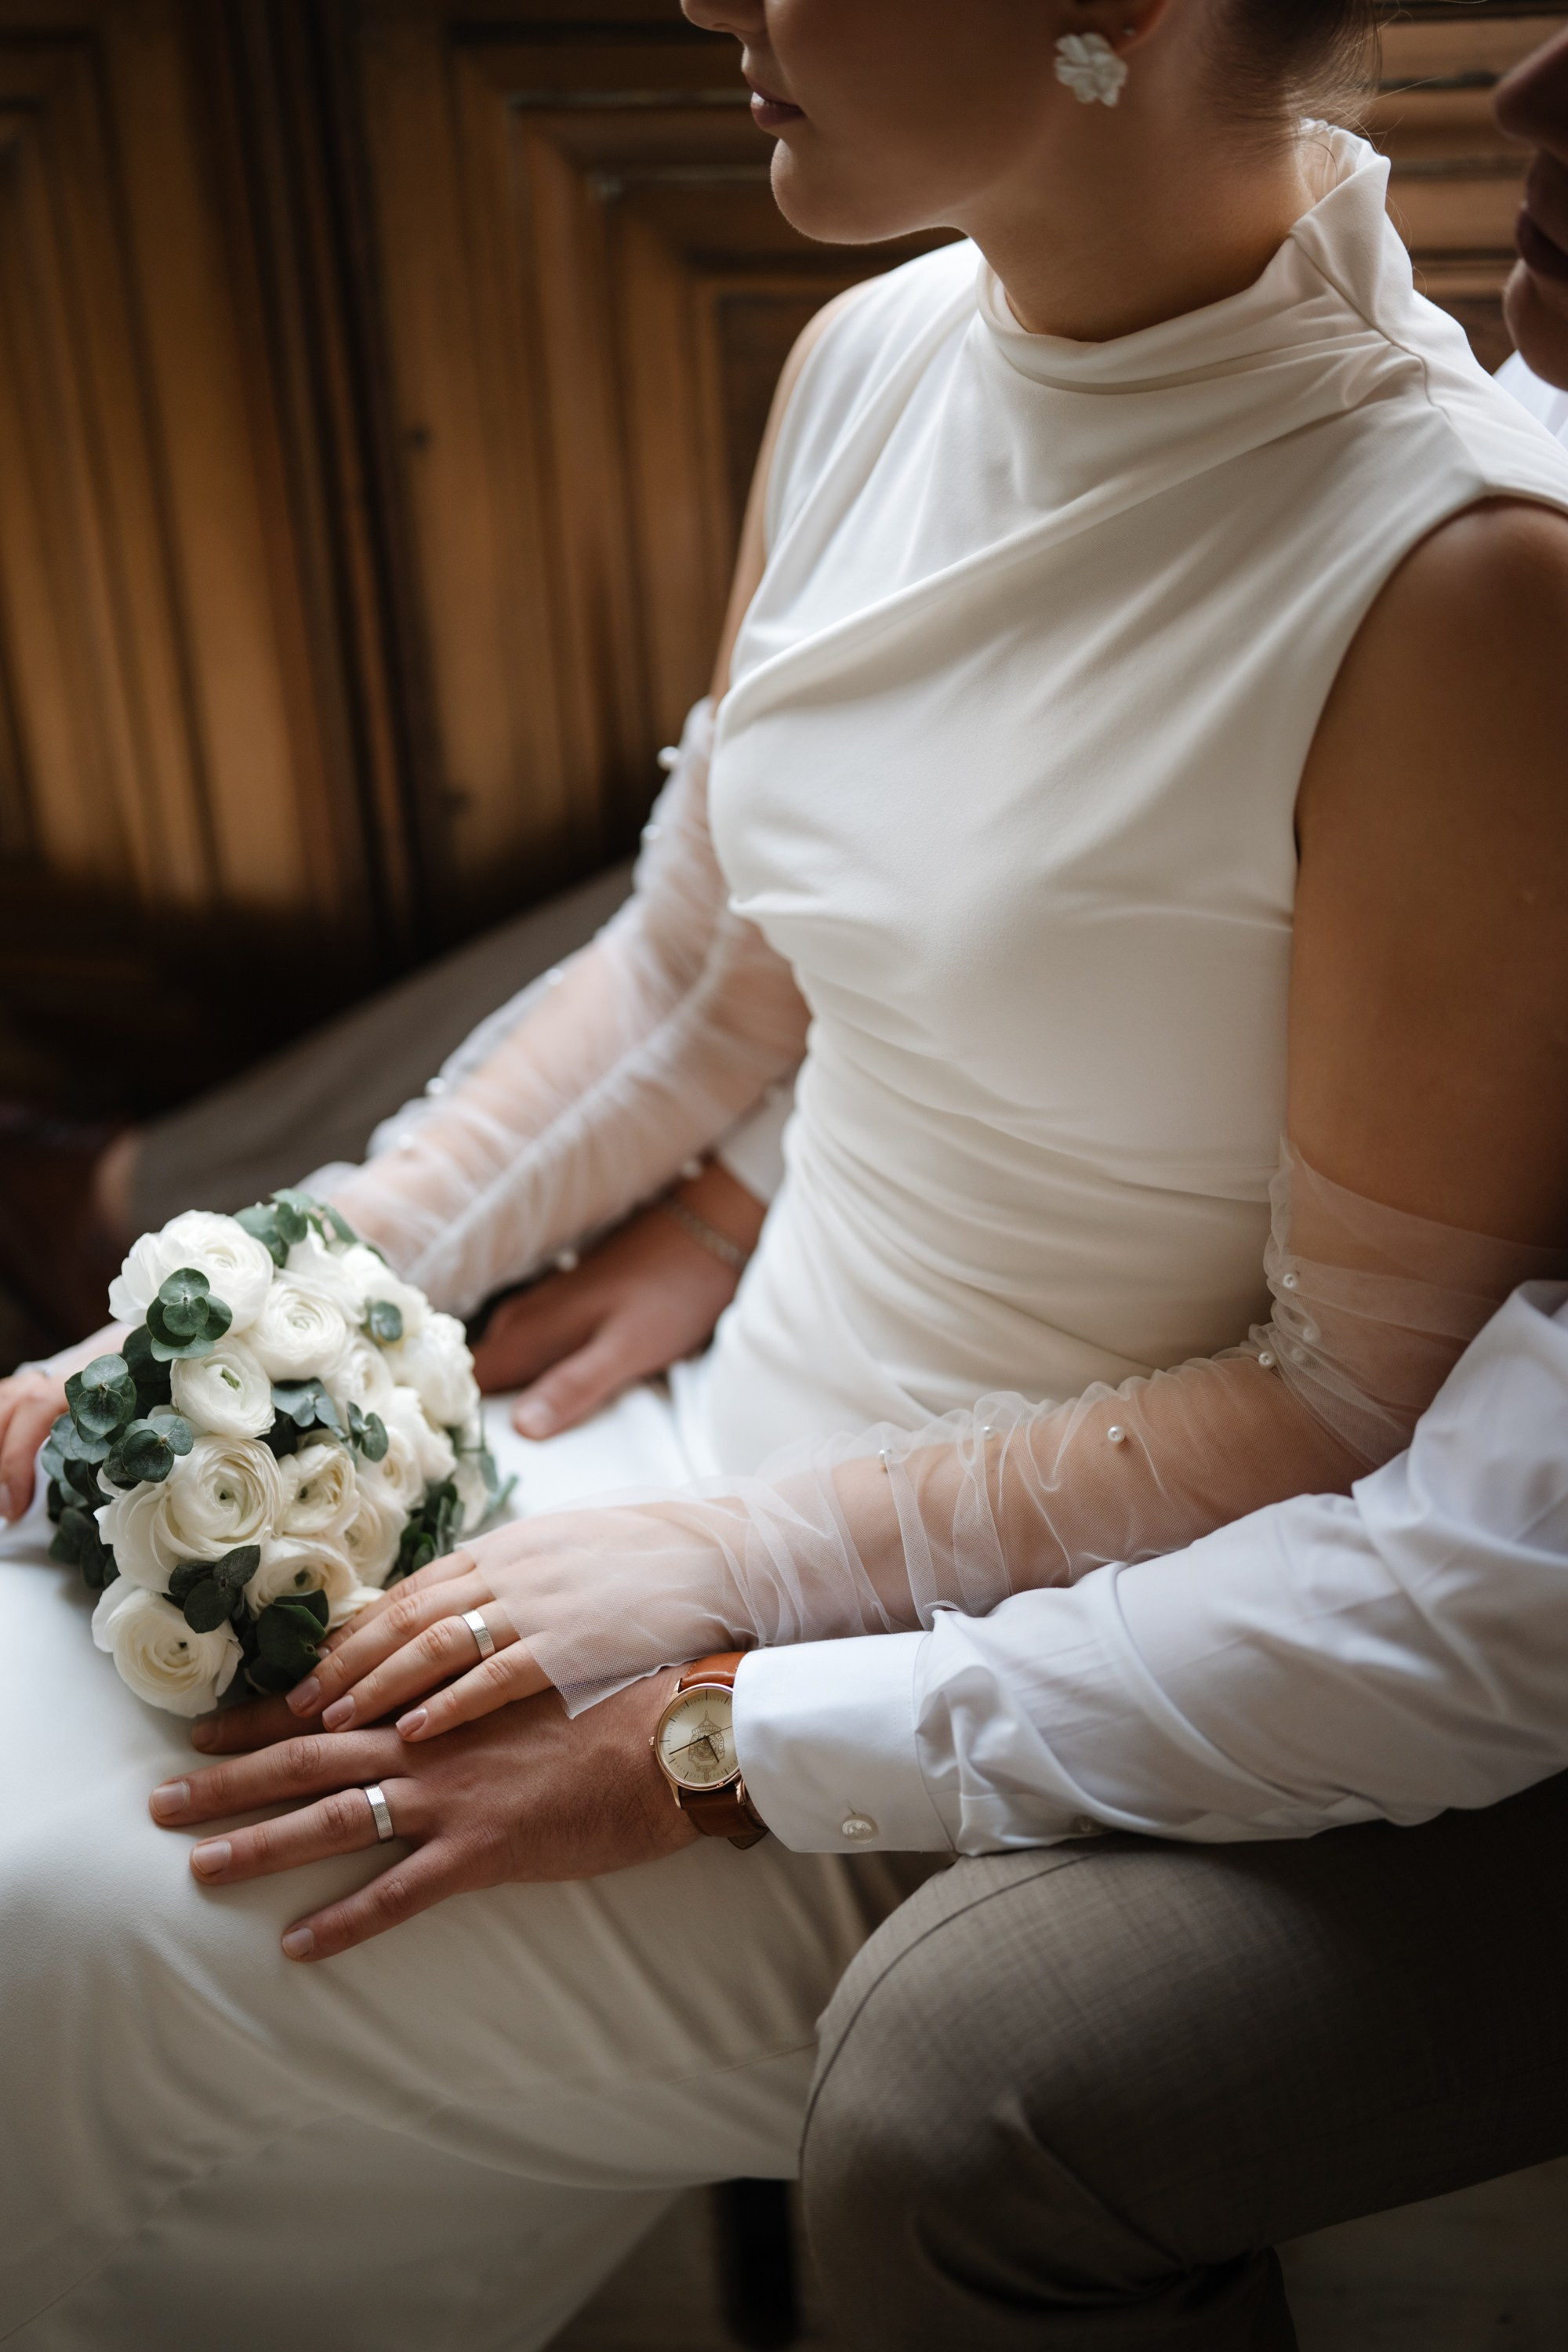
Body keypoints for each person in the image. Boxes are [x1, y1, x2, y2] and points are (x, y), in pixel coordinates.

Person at [4, 4, 1568, 2348]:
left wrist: (716, 1591)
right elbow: (684, 994)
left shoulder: (1468, 592)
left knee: (61, 1914)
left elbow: (1349, 1396)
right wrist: (265, 1290)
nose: (719, 0)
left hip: (997, 1664)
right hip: (685, 1449)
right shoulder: (873, 352)